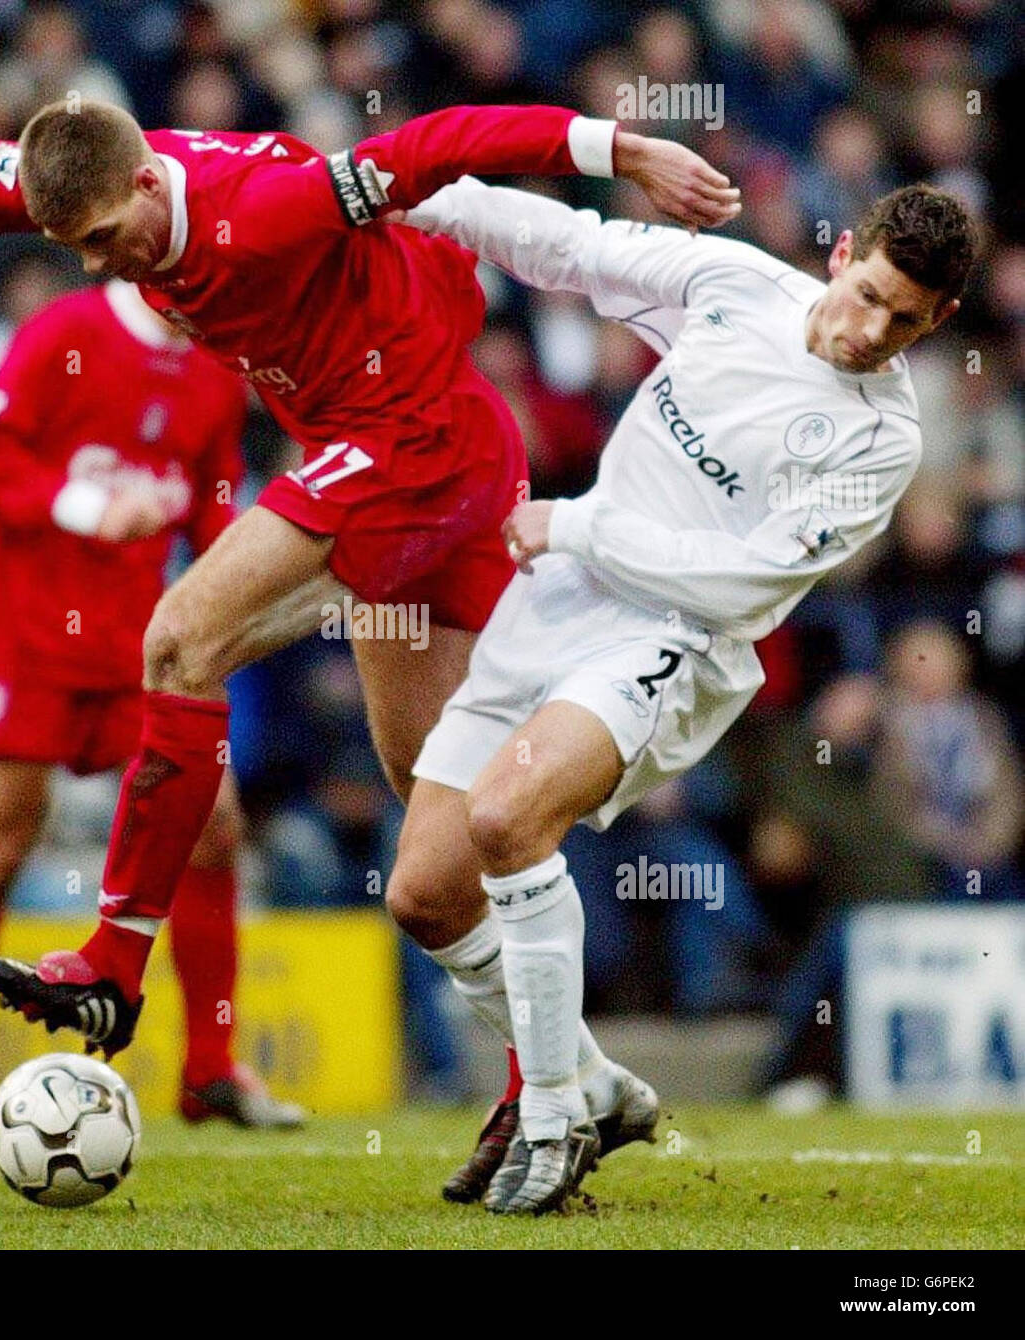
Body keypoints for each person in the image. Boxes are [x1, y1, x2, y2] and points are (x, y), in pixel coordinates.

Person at [0, 97, 735, 1181]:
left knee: (176, 643)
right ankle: (560, 1077)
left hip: (413, 444)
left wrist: (620, 150)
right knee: (434, 846)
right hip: (424, 461)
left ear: (144, 186)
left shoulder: (265, 205)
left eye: (99, 243)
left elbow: (425, 147)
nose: (90, 268)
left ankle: (115, 959)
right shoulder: (89, 182)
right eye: (67, 248)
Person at [378, 178, 975, 1211]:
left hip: (675, 637)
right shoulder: (734, 283)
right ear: (842, 256)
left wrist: (579, 526)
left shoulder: (882, 440)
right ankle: (598, 1083)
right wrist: (414, 190)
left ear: (940, 323)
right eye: (868, 294)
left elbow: (742, 581)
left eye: (904, 323)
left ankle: (554, 1111)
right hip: (556, 599)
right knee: (424, 893)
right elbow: (570, 244)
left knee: (506, 817)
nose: (871, 330)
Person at [0, 276, 302, 1132]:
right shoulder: (65, 333)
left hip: (138, 643)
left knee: (215, 825)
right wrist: (90, 505)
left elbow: (212, 504)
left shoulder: (214, 365)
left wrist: (266, 576)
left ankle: (210, 1069)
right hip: (22, 634)